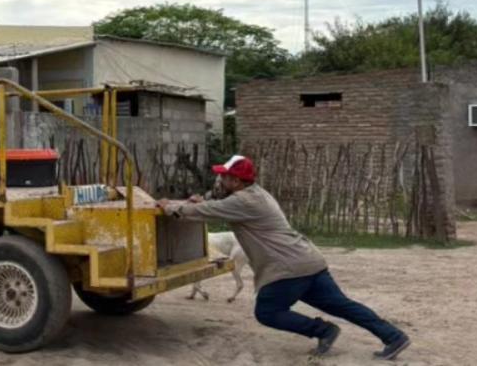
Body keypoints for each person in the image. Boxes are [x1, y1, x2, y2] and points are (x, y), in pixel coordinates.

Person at [159, 155, 411, 361]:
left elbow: (207, 211)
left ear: (235, 180)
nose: (220, 179)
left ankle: (323, 330)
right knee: (343, 305)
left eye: (224, 176)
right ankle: (393, 336)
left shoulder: (243, 201)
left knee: (267, 312)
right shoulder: (257, 193)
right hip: (308, 260)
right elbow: (214, 205)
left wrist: (170, 206)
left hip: (287, 268)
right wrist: (198, 202)